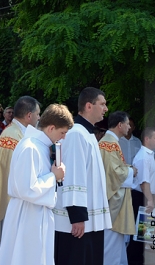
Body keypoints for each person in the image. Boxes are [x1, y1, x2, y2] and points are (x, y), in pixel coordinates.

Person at [0, 104, 73, 264]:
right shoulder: (30, 147)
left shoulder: (41, 147)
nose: (64, 137)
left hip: (36, 214)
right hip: (26, 215)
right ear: (51, 128)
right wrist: (54, 176)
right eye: (62, 132)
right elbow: (26, 188)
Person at [0, 96, 40, 265]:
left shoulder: (17, 134)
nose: (39, 118)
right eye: (38, 114)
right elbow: (13, 175)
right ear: (29, 115)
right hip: (7, 204)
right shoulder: (12, 137)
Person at [54, 87, 112, 265]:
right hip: (77, 222)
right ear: (89, 105)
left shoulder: (88, 134)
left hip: (89, 219)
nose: (106, 108)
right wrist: (77, 216)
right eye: (102, 104)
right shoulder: (76, 134)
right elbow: (72, 176)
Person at [98, 111, 138, 264]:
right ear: (120, 125)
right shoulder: (108, 144)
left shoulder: (111, 142)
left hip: (117, 200)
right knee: (110, 245)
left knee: (118, 245)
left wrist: (127, 169)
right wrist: (131, 171)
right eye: (127, 124)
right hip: (111, 202)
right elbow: (113, 172)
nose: (129, 127)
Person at [127, 127, 155, 265]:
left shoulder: (149, 155)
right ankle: (135, 261)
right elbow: (143, 182)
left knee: (145, 236)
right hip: (140, 198)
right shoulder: (143, 156)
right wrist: (150, 200)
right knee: (138, 236)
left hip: (145, 196)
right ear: (147, 139)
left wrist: (154, 195)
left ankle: (139, 260)